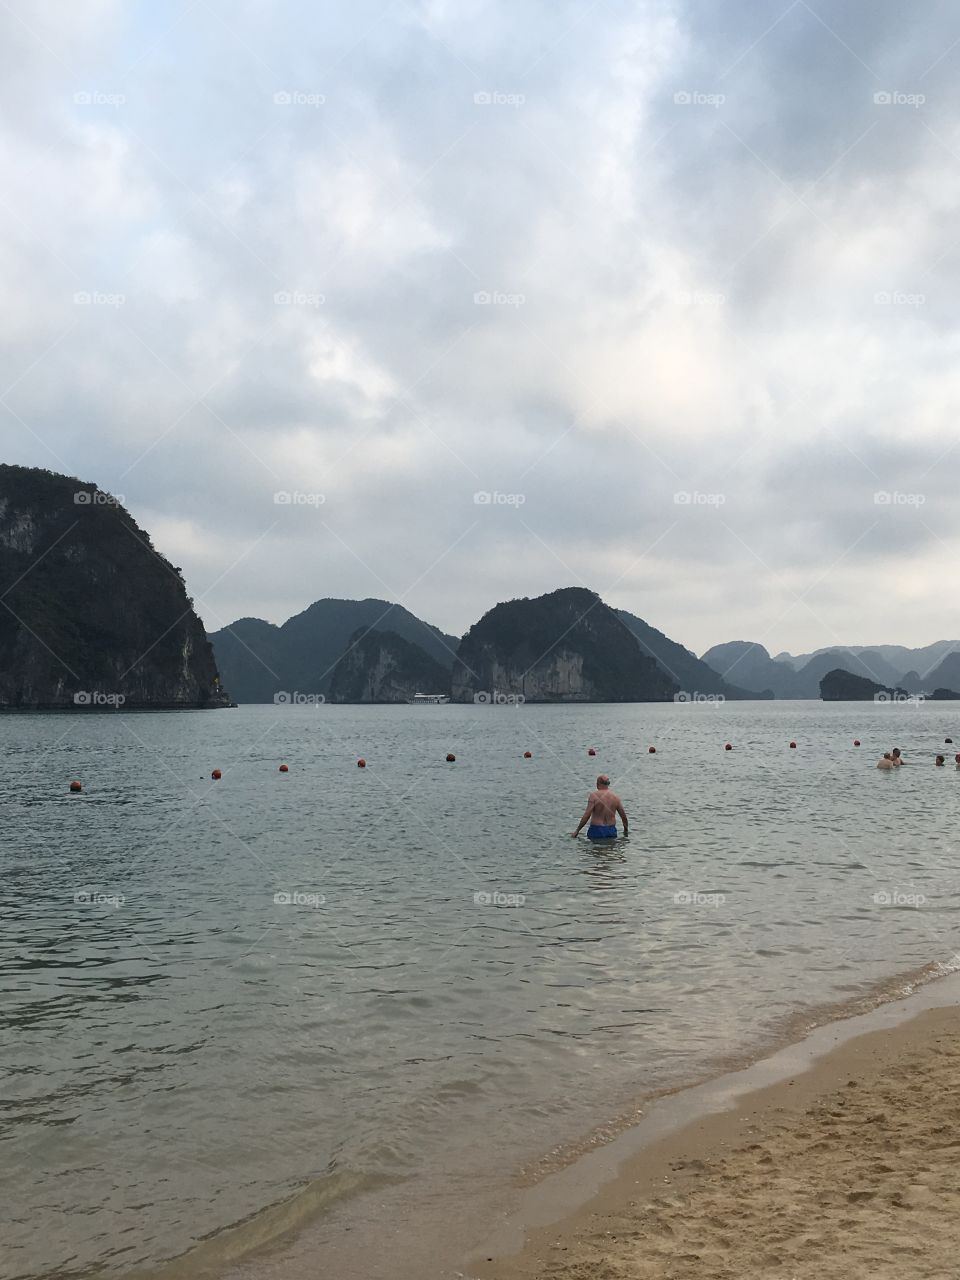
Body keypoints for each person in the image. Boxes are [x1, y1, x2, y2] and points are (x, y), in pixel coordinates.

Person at [572, 774, 628, 839]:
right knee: (610, 848)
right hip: (611, 830)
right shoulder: (615, 797)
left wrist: (577, 830)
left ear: (598, 784)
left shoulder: (594, 796)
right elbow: (623, 816)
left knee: (596, 848)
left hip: (596, 829)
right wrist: (625, 831)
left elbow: (587, 815)